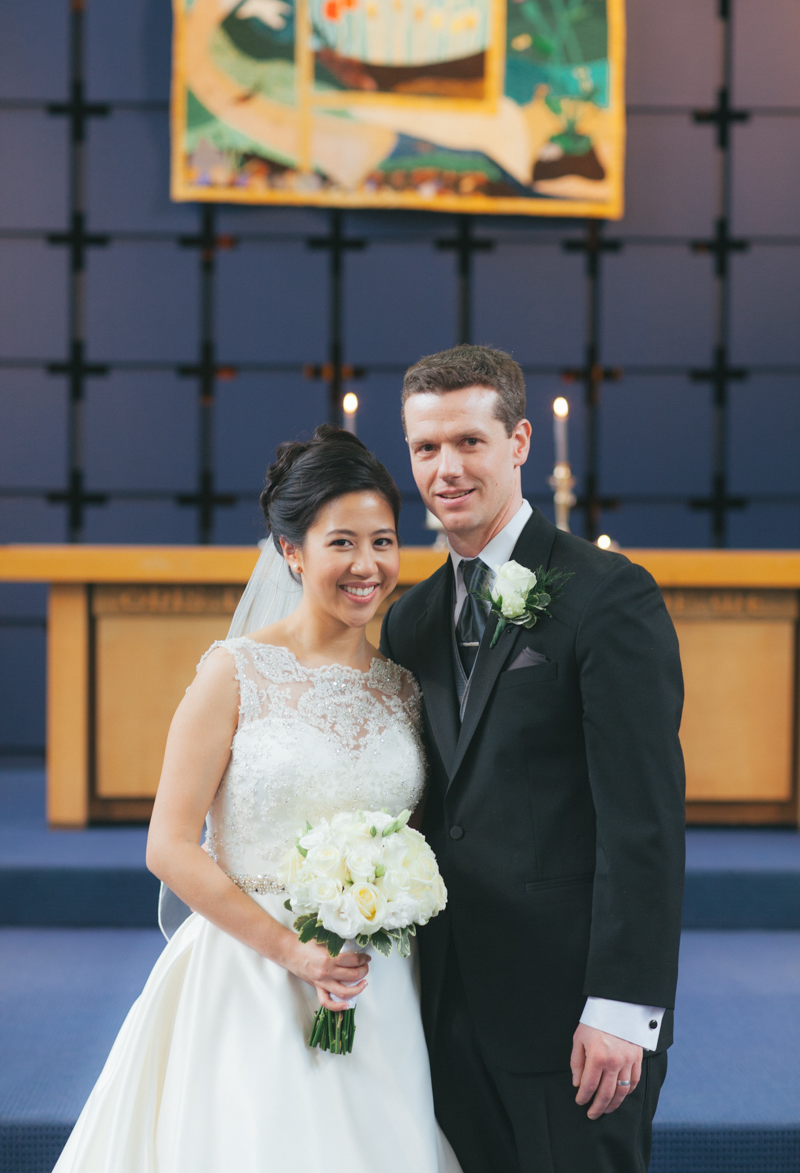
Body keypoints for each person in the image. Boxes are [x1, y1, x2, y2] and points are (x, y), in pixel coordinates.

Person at [53, 425, 461, 1173]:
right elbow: (168, 845)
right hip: (249, 977)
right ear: (291, 551)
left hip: (373, 982)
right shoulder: (235, 673)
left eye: (384, 541)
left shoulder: (405, 689)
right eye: (342, 542)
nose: (367, 565)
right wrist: (290, 952)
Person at [380, 345, 686, 1173]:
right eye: (425, 448)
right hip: (447, 1010)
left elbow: (644, 820)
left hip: (574, 1016)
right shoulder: (407, 625)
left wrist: (623, 1006)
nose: (446, 469)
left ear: (518, 442)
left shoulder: (607, 595)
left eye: (469, 442)